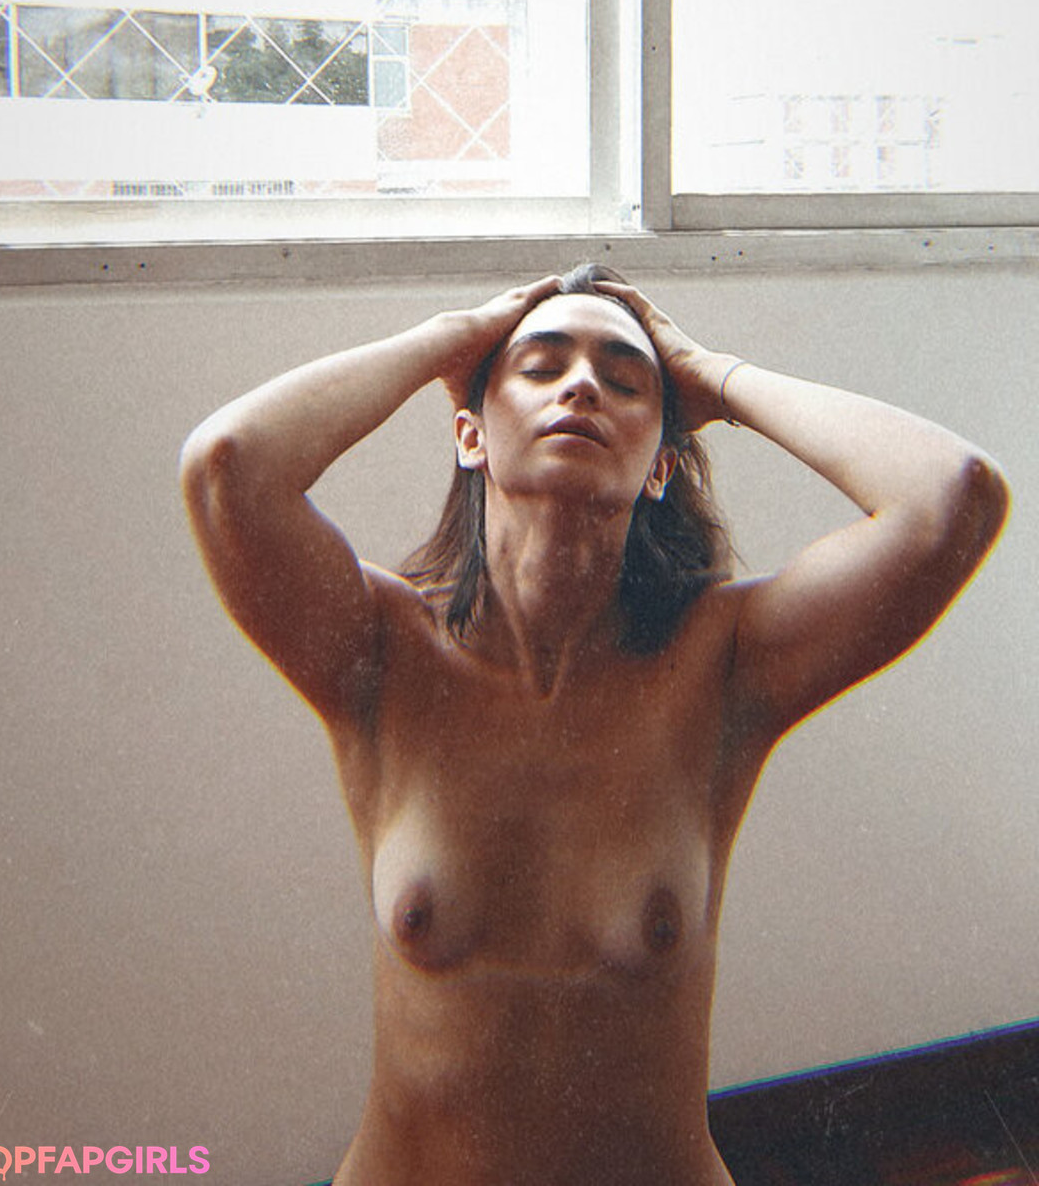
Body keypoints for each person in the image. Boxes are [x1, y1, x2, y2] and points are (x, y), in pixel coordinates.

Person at [180, 263, 1009, 1186]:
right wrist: (452, 338)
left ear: (660, 466)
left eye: (625, 379)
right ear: (470, 434)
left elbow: (954, 494)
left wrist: (711, 373)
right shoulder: (381, 651)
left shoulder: (723, 661)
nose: (581, 385)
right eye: (540, 366)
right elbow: (227, 466)